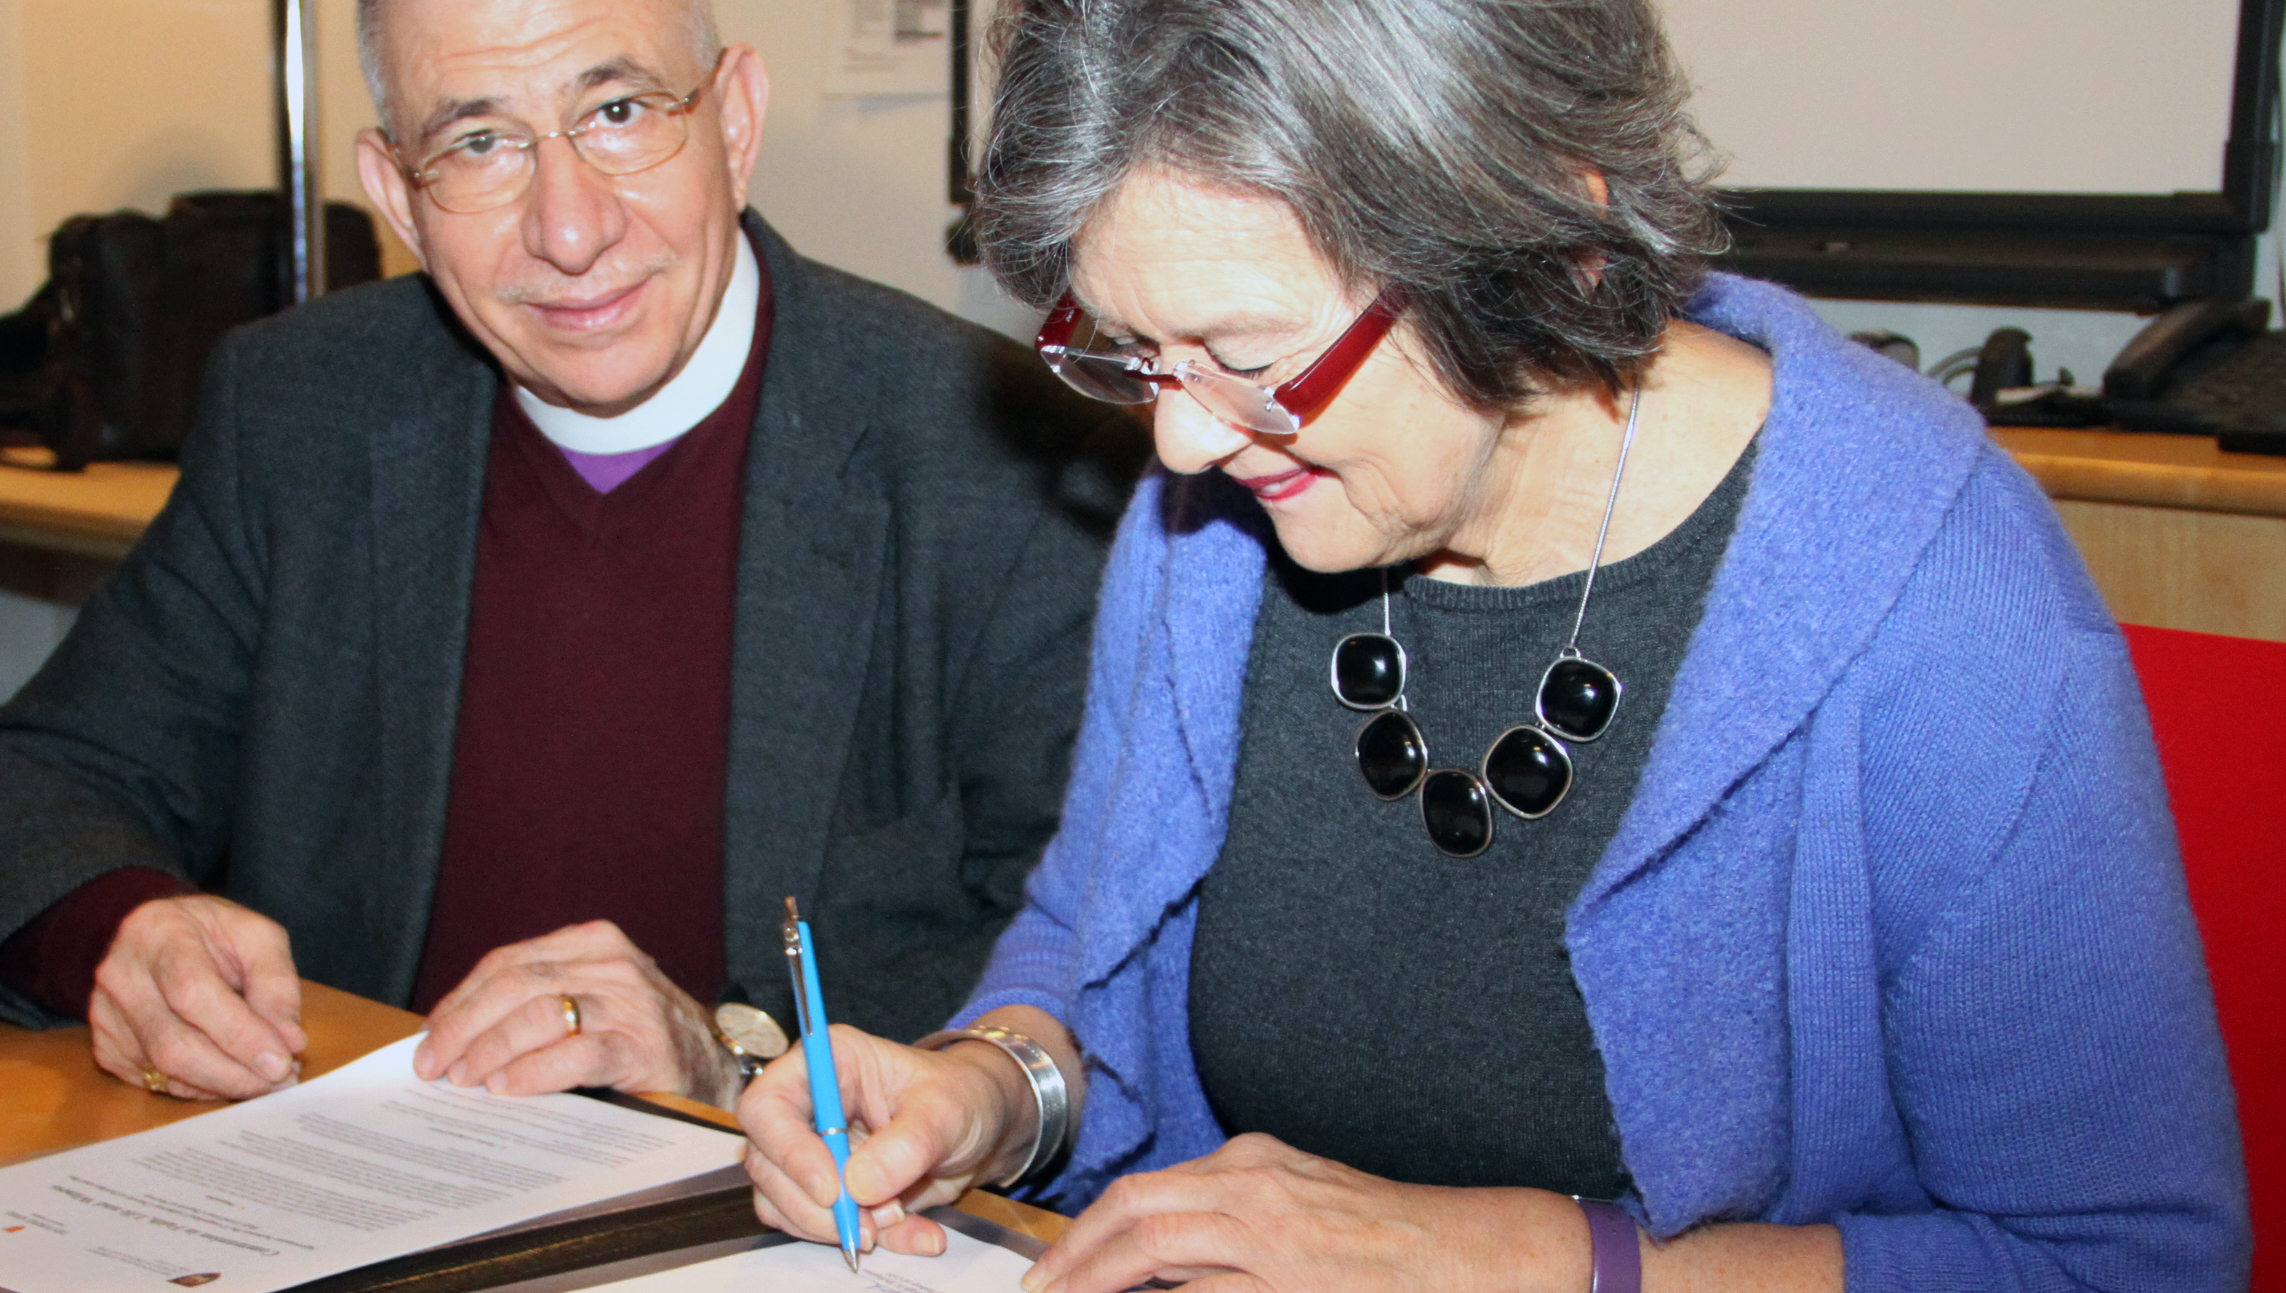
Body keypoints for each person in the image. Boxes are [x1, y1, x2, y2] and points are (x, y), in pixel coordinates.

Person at [738, 0, 2249, 1288]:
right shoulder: (1216, 522)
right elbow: (1091, 938)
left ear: (1544, 247)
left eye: (1253, 362)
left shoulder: (1938, 603)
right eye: (1138, 355)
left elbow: (2114, 1258)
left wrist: (1525, 1258)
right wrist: (994, 1089)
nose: (1185, 438)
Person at [0, 0, 1135, 1113]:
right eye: (480, 143)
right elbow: (50, 774)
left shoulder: (1016, 468)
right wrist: (124, 927)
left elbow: (1095, 976)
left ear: (735, 125)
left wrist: (731, 1064)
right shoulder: (301, 411)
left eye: (622, 112)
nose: (571, 228)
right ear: (397, 193)